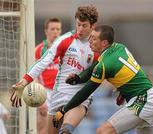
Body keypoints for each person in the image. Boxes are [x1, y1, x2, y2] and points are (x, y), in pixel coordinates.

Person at [55, 25, 153, 134]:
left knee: (103, 131)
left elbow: (85, 92)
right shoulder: (119, 47)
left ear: (104, 43)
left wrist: (64, 110)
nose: (90, 41)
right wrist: (79, 78)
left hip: (144, 101)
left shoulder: (105, 64)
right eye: (90, 37)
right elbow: (95, 67)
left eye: (94, 38)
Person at [10, 5, 99, 134]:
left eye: (84, 26)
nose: (80, 29)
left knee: (66, 130)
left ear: (93, 26)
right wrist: (23, 83)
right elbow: (43, 63)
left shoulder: (98, 46)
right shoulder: (64, 40)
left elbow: (109, 69)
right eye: (78, 24)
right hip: (58, 96)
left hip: (80, 98)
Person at [35, 18, 62, 134]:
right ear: (46, 31)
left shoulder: (65, 49)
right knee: (43, 130)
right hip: (45, 93)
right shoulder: (39, 50)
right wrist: (40, 97)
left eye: (58, 29)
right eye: (52, 29)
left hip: (61, 93)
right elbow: (34, 75)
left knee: (59, 129)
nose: (55, 32)